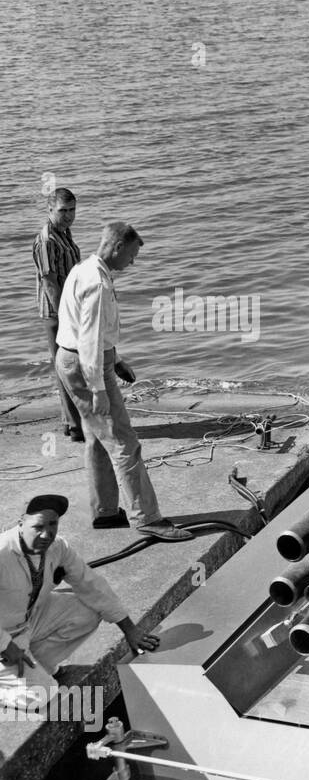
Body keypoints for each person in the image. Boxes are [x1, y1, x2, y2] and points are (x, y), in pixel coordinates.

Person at [55, 222, 190, 542]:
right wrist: (99, 388)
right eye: (131, 255)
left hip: (72, 358)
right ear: (116, 247)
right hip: (86, 366)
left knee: (97, 439)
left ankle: (105, 511)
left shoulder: (83, 268)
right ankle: (147, 518)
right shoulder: (98, 284)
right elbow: (88, 340)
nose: (133, 262)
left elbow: (87, 330)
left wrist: (115, 360)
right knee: (124, 444)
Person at [0, 494, 158, 702]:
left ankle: (36, 666)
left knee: (88, 610)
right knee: (43, 695)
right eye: (38, 526)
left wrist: (130, 629)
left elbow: (91, 584)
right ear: (21, 522)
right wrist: (5, 645)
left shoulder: (58, 547)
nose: (46, 534)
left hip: (25, 622)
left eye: (52, 524)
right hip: (4, 634)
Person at [32, 188, 84, 442]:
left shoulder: (64, 233)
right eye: (63, 211)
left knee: (70, 366)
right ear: (50, 210)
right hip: (56, 313)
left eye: (72, 210)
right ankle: (75, 426)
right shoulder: (46, 240)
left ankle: (71, 422)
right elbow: (50, 283)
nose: (69, 216)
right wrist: (66, 317)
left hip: (69, 308)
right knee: (66, 367)